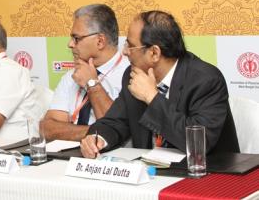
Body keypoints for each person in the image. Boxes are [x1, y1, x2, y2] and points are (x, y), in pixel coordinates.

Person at [80, 10, 239, 158]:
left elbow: (199, 143)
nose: (125, 52)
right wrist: (97, 138)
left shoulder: (205, 80)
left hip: (207, 171)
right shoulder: (133, 74)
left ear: (154, 53)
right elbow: (115, 122)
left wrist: (152, 97)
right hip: (151, 171)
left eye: (131, 46)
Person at [42, 4, 128, 141]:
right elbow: (47, 128)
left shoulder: (130, 75)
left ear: (100, 41)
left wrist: (92, 84)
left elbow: (117, 129)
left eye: (76, 38)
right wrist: (95, 132)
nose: (70, 44)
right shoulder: (72, 75)